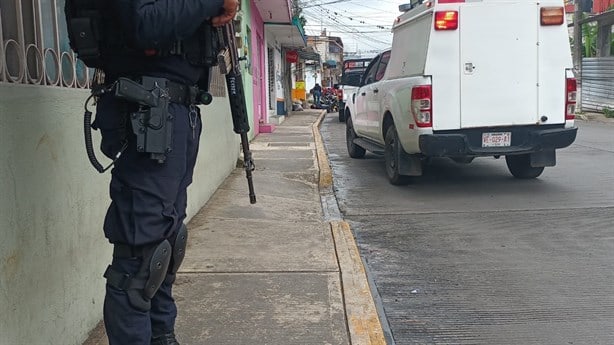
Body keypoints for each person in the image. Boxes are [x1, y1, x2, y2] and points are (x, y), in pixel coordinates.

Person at [93, 1, 239, 344]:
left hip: (177, 111)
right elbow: (143, 23)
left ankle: (162, 336)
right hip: (146, 111)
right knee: (139, 260)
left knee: (167, 244)